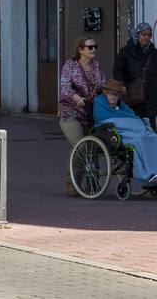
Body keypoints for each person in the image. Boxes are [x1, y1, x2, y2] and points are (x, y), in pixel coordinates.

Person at [94, 80, 157, 188]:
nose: (114, 97)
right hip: (117, 133)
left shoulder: (121, 105)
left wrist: (136, 123)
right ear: (106, 93)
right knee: (139, 140)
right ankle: (148, 175)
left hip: (132, 131)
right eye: (111, 94)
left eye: (116, 95)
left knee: (154, 138)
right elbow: (102, 119)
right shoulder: (99, 102)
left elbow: (133, 116)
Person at [59, 36, 105, 195]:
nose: (93, 50)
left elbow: (102, 85)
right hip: (70, 112)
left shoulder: (96, 65)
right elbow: (64, 88)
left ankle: (92, 184)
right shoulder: (70, 66)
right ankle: (72, 183)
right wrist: (76, 98)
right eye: (90, 47)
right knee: (81, 147)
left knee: (93, 146)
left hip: (90, 112)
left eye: (95, 46)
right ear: (80, 49)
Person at [113, 23, 157, 129]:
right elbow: (118, 70)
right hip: (133, 96)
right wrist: (122, 85)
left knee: (150, 128)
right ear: (137, 34)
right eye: (144, 34)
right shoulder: (126, 51)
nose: (147, 37)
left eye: (149, 35)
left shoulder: (153, 52)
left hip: (150, 97)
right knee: (135, 127)